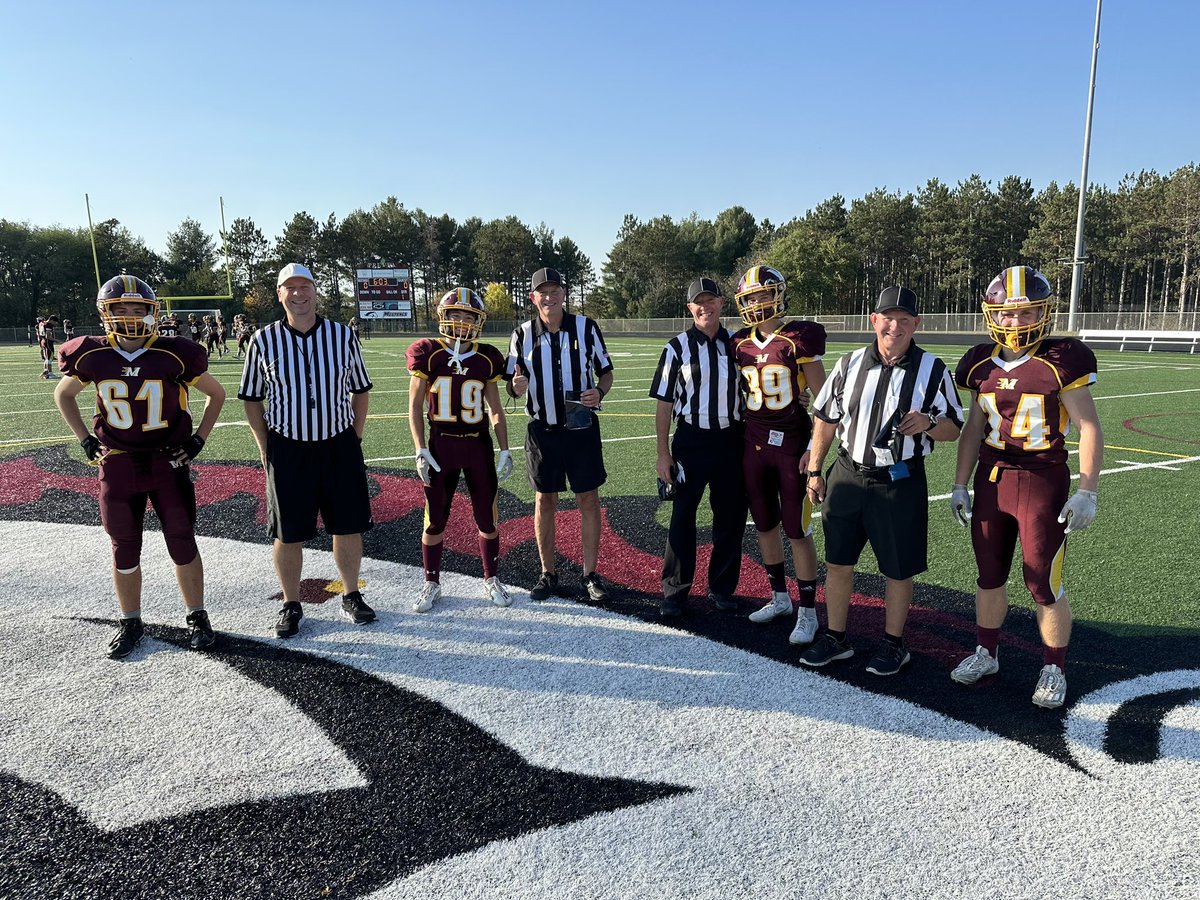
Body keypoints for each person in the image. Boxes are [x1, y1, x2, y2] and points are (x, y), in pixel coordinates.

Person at [949, 266, 1103, 709]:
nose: (1016, 322)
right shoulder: (979, 362)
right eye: (1008, 313)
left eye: (1026, 312)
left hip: (1041, 480)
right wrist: (959, 484)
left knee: (1043, 582)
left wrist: (1087, 489)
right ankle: (986, 653)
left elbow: (1089, 426)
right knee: (989, 574)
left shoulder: (1061, 359)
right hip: (992, 480)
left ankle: (1053, 666)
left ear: (1044, 312)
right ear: (992, 314)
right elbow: (973, 429)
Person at [53, 275, 225, 659]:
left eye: (138, 309)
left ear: (152, 313)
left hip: (167, 460)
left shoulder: (175, 352)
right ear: (105, 313)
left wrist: (198, 439)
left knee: (182, 540)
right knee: (123, 547)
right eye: (120, 308)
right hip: (117, 463)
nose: (130, 316)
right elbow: (63, 394)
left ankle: (197, 616)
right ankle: (131, 620)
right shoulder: (90, 353)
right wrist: (84, 438)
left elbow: (216, 394)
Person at [802, 286, 963, 675]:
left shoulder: (933, 369)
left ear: (916, 324)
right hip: (846, 473)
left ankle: (894, 645)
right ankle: (836, 637)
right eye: (888, 318)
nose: (895, 326)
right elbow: (825, 418)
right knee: (838, 561)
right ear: (874, 320)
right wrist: (814, 470)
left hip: (899, 480)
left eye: (904, 319)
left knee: (897, 568)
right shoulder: (849, 364)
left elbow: (955, 427)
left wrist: (928, 423)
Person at [238, 263, 376, 639]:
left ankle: (351, 593)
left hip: (338, 443)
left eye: (305, 287)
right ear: (279, 294)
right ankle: (291, 602)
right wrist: (264, 443)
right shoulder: (263, 340)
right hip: (288, 447)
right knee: (288, 532)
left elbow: (361, 389)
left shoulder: (342, 336)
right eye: (290, 288)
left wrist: (355, 435)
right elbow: (252, 399)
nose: (299, 294)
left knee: (347, 525)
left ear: (316, 291)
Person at [730, 266, 827, 644]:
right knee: (765, 524)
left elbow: (824, 401)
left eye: (763, 295)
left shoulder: (798, 339)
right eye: (751, 298)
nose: (757, 303)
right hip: (753, 444)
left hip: (790, 445)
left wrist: (812, 452)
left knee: (797, 529)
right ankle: (779, 597)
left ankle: (808, 611)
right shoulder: (739, 343)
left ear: (779, 295)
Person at [507, 267, 614, 603]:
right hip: (543, 431)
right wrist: (514, 387)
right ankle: (547, 572)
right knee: (544, 500)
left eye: (555, 291)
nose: (549, 297)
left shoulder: (586, 327)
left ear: (564, 293)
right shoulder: (521, 334)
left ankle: (590, 574)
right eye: (543, 292)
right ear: (532, 297)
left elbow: (606, 373)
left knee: (588, 499)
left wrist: (599, 391)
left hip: (581, 428)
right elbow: (512, 385)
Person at [408, 288, 515, 612]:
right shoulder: (428, 352)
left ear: (478, 321)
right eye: (455, 315)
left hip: (477, 445)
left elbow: (495, 409)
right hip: (441, 445)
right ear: (443, 316)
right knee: (434, 520)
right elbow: (414, 407)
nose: (461, 322)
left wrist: (505, 449)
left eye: (468, 317)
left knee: (487, 518)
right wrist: (420, 448)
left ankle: (491, 578)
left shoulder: (486, 357)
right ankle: (431, 582)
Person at [650, 278, 747, 617]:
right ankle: (675, 591)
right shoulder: (676, 347)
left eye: (711, 300)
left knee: (731, 517)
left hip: (732, 440)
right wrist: (664, 454)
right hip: (691, 441)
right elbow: (663, 405)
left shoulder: (739, 345)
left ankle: (721, 587)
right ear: (689, 308)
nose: (705, 306)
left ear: (722, 303)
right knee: (682, 515)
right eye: (698, 302)